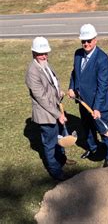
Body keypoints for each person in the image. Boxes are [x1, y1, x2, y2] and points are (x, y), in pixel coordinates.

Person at [26, 37, 75, 181]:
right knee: (50, 143)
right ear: (34, 53)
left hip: (55, 109)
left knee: (59, 138)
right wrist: (58, 114)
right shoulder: (32, 72)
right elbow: (41, 97)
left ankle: (61, 160)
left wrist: (58, 92)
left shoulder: (46, 64)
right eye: (41, 53)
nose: (44, 56)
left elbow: (53, 83)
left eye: (46, 53)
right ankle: (55, 170)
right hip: (46, 114)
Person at [68, 24, 108, 168]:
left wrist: (97, 108)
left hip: (99, 106)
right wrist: (72, 87)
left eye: (89, 40)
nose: (86, 44)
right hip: (83, 102)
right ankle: (93, 148)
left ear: (95, 40)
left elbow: (102, 87)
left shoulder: (103, 60)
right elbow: (75, 73)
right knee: (87, 128)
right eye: (83, 41)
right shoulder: (77, 54)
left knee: (104, 131)